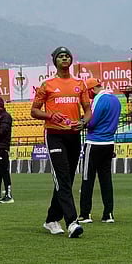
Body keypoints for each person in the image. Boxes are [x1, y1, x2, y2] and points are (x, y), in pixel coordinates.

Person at [31, 46, 91, 238]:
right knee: (62, 177)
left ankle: (51, 219)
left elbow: (88, 111)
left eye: (67, 56)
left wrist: (83, 122)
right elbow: (34, 110)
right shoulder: (47, 85)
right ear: (55, 61)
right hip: (54, 134)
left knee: (68, 179)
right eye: (61, 57)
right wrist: (50, 115)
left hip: (74, 135)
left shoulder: (79, 84)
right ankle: (72, 222)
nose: (64, 59)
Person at [78, 78, 125, 224]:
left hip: (94, 143)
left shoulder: (99, 99)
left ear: (92, 89)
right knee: (106, 179)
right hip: (109, 142)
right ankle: (108, 214)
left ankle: (85, 214)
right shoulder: (116, 100)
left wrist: (82, 121)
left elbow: (91, 121)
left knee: (87, 178)